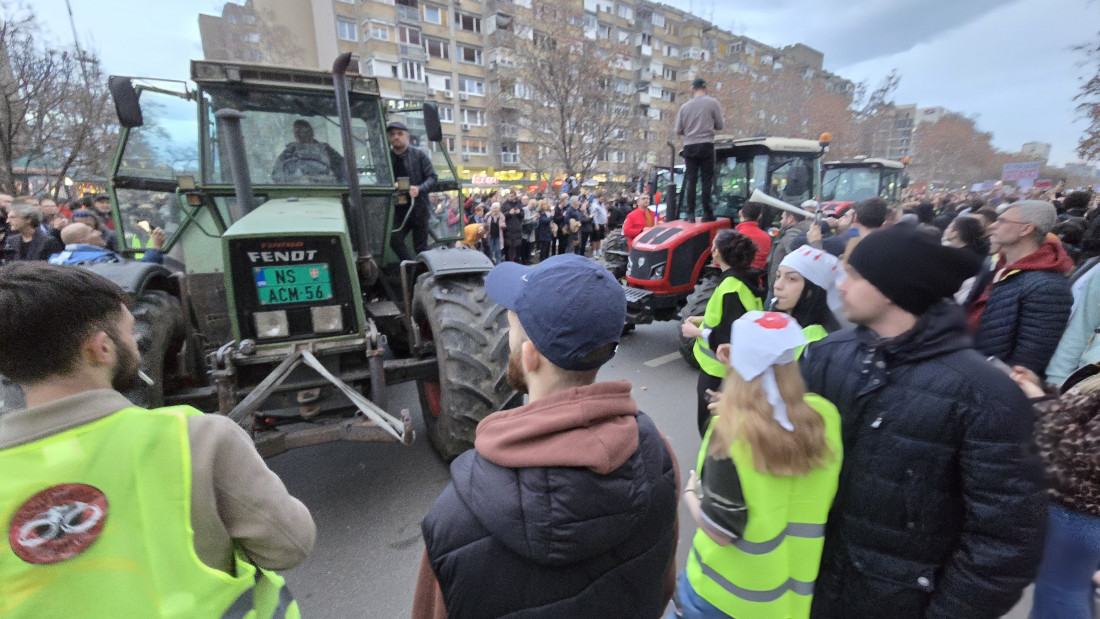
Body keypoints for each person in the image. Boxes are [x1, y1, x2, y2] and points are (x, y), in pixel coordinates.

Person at [0, 263, 315, 616]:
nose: (135, 344)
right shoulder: (196, 438)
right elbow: (289, 546)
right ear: (100, 349)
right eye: (129, 332)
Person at [413, 254, 679, 618]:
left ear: (530, 355)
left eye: (511, 329)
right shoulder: (658, 454)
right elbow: (664, 587)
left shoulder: (455, 517)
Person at [801, 225, 1045, 618]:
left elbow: (1005, 540)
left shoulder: (986, 394)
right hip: (811, 591)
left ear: (893, 289)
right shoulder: (826, 355)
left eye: (855, 275)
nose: (840, 284)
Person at [672, 311, 842, 619]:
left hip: (719, 596)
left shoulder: (730, 431)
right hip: (787, 598)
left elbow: (720, 530)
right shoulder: (825, 415)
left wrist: (690, 495)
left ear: (730, 356)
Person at [1012, 367, 1100, 619]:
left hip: (1079, 511)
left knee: (1059, 595)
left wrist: (1038, 401)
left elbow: (1083, 456)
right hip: (1078, 510)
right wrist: (1039, 388)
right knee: (1069, 589)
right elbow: (1079, 413)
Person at [970, 200, 1074, 377]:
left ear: (1026, 229)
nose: (993, 226)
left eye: (1002, 221)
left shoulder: (1047, 286)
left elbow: (1027, 362)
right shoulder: (998, 266)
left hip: (990, 384)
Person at [681, 230, 765, 437]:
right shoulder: (741, 278)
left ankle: (712, 461)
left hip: (718, 369)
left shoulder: (731, 288)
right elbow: (732, 318)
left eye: (714, 246)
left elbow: (728, 337)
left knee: (709, 419)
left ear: (718, 252)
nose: (711, 250)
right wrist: (701, 320)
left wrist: (695, 332)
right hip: (724, 368)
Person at [769, 245, 844, 346]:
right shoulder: (774, 318)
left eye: (791, 279)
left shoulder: (819, 341)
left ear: (812, 289)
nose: (778, 285)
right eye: (778, 276)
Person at [674, 78, 724, 223]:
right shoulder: (713, 103)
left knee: (691, 180)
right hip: (707, 145)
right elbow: (720, 125)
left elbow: (678, 130)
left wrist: (690, 132)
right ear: (705, 88)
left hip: (689, 146)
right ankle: (707, 212)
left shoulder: (684, 107)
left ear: (692, 89)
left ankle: (690, 214)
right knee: (707, 179)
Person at [387, 121, 438, 261]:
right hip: (398, 209)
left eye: (400, 134)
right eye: (392, 134)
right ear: (388, 138)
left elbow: (433, 177)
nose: (396, 137)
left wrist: (419, 189)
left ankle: (424, 272)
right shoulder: (386, 158)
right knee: (393, 239)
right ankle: (411, 269)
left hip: (418, 208)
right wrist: (393, 185)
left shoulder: (419, 155)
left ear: (407, 137)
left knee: (420, 247)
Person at [49, 222, 166, 265]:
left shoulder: (55, 260)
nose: (99, 232)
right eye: (92, 231)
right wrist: (155, 248)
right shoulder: (100, 261)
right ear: (83, 241)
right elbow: (138, 272)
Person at [272, 119, 346, 183]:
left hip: (325, 187)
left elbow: (343, 169)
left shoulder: (326, 150)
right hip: (295, 189)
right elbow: (277, 172)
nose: (298, 135)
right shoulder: (289, 152)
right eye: (296, 132)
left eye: (302, 131)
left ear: (311, 133)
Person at [765, 209, 812, 292]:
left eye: (782, 218)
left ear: (790, 219)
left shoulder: (791, 235)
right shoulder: (802, 232)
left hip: (781, 287)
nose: (781, 221)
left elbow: (795, 262)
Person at [734, 201, 771, 271]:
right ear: (759, 216)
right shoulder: (767, 237)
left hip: (735, 278)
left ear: (740, 213)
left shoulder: (734, 235)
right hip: (756, 279)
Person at [502, 195, 525, 262]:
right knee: (508, 247)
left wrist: (519, 212)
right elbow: (502, 215)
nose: (511, 197)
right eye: (510, 196)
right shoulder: (505, 205)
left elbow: (522, 215)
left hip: (517, 229)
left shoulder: (518, 204)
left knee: (517, 247)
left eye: (513, 196)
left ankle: (516, 261)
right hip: (508, 229)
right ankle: (508, 261)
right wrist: (509, 213)